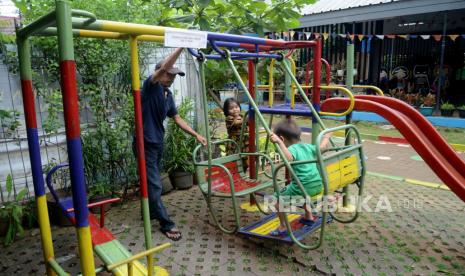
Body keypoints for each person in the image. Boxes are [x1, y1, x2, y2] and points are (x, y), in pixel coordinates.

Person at [136, 48, 207, 241]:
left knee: (151, 181)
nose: (172, 78)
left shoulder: (167, 94)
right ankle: (166, 223)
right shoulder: (149, 88)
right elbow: (162, 69)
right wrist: (182, 46)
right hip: (145, 143)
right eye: (169, 74)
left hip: (157, 141)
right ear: (159, 73)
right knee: (154, 183)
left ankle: (149, 211)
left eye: (174, 75)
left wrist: (196, 134)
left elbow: (177, 118)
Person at [268, 118, 330, 236]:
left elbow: (289, 158)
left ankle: (282, 227)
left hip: (304, 187)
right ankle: (309, 216)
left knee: (277, 201)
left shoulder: (292, 149)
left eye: (281, 140)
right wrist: (326, 136)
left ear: (282, 138)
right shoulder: (307, 147)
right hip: (317, 185)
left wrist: (279, 144)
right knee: (301, 190)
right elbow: (322, 148)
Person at [223, 98, 249, 171]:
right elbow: (236, 123)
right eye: (231, 108)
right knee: (234, 158)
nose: (235, 109)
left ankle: (243, 170)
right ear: (226, 110)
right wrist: (246, 119)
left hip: (244, 141)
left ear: (239, 107)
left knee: (244, 158)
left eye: (236, 107)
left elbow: (247, 124)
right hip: (234, 142)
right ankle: (233, 172)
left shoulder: (242, 116)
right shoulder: (229, 118)